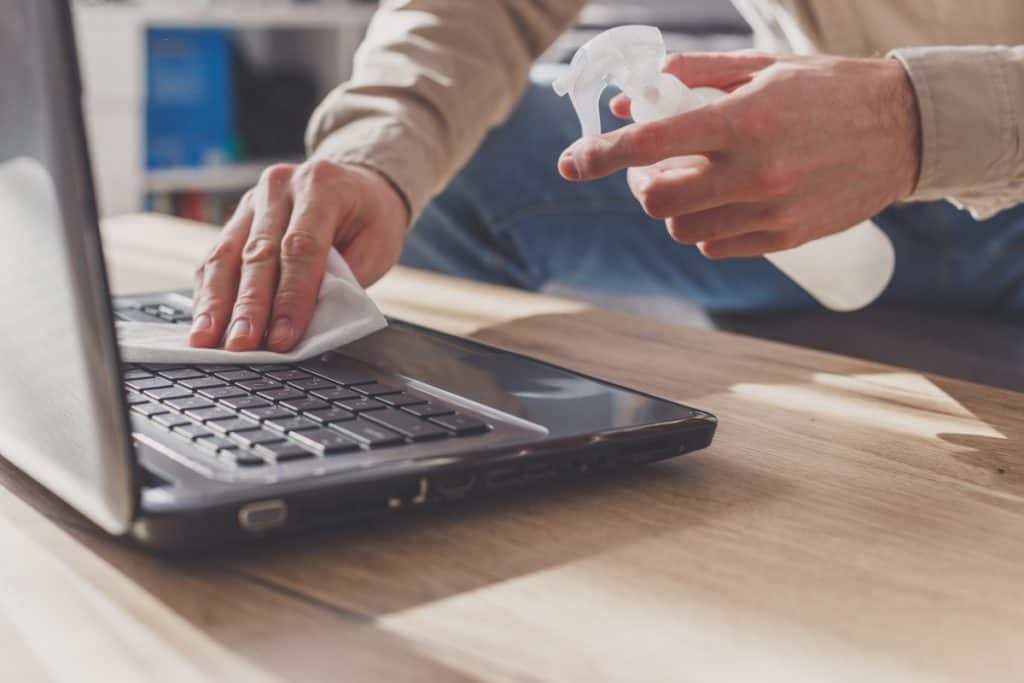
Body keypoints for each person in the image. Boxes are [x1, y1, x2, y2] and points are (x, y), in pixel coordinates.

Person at [189, 1, 1024, 353]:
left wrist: (909, 120)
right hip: (812, 179)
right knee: (438, 176)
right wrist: (375, 153)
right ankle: (405, 462)